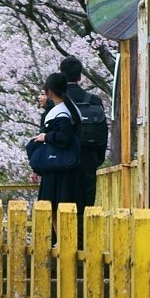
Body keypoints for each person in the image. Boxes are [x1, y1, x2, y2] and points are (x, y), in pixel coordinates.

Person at [59, 55, 108, 214]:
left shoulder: (56, 101)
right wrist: (96, 158)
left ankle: (64, 238)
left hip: (63, 158)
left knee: (63, 202)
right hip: (88, 156)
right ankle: (84, 237)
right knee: (86, 202)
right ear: (80, 76)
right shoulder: (93, 100)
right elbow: (103, 132)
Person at [30, 72, 84, 213]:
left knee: (52, 209)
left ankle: (59, 235)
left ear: (50, 91)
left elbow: (64, 137)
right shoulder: (69, 108)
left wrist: (46, 137)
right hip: (66, 165)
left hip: (57, 169)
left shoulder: (60, 112)